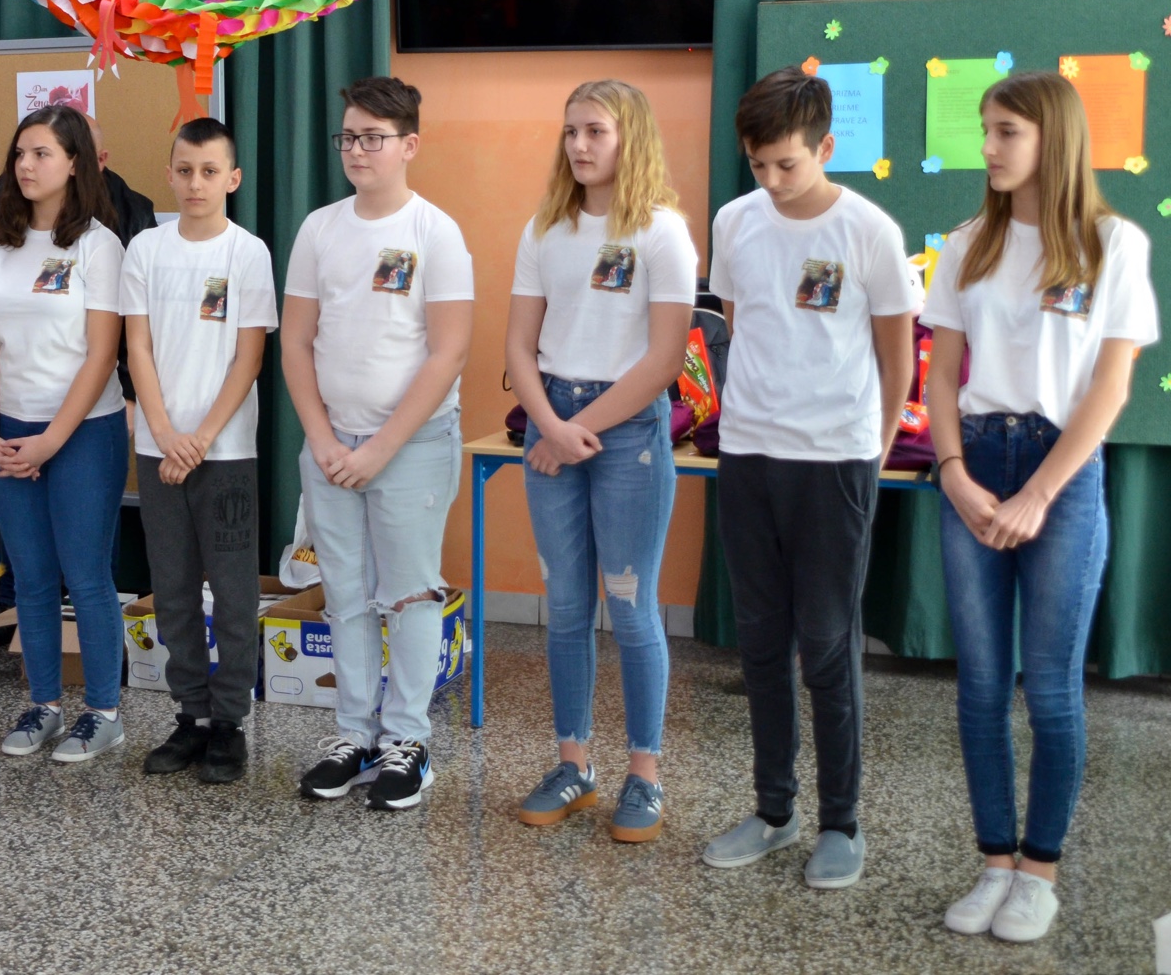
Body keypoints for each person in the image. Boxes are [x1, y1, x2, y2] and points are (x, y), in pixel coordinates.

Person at [924, 71, 1158, 942]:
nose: (987, 147)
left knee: (1052, 688)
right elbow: (941, 375)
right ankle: (994, 862)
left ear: (1053, 139)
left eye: (1006, 131)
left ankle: (1039, 874)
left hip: (1061, 469)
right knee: (981, 685)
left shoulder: (1112, 243)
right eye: (985, 129)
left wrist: (1039, 492)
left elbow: (1111, 387)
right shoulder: (967, 243)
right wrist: (953, 471)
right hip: (976, 463)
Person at [699, 67, 919, 887]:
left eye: (786, 164)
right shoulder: (735, 221)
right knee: (761, 642)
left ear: (825, 147)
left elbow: (897, 357)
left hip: (835, 461)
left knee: (826, 645)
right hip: (750, 455)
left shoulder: (870, 231)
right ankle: (774, 811)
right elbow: (740, 328)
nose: (771, 180)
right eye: (758, 164)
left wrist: (873, 445)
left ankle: (841, 823)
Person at [505, 81, 696, 841]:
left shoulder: (662, 232)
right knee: (565, 607)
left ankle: (643, 774)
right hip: (552, 421)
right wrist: (550, 426)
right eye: (571, 131)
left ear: (630, 139)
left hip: (626, 435)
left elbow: (665, 359)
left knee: (631, 605)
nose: (579, 146)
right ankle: (573, 765)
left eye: (596, 132)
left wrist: (573, 430)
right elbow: (518, 345)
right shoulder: (545, 228)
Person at [284, 76, 473, 811]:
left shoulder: (436, 233)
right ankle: (354, 736)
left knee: (410, 594)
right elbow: (296, 342)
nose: (357, 150)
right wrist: (323, 438)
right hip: (331, 444)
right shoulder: (319, 229)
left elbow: (448, 353)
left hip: (413, 445)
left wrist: (379, 449)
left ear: (409, 145)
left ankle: (407, 744)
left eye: (373, 138)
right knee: (346, 596)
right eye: (349, 136)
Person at [0, 105, 130, 762]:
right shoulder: (0, 243)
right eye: (20, 153)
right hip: (11, 431)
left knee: (86, 576)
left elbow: (102, 355)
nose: (26, 165)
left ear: (73, 163)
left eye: (41, 153)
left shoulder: (99, 244)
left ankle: (103, 711)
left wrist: (51, 440)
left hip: (84, 432)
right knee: (33, 578)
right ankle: (42, 704)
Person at [122, 117, 275, 784]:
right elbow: (137, 347)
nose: (195, 183)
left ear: (231, 179)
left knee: (234, 592)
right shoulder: (145, 250)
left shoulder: (248, 253)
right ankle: (190, 714)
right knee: (173, 588)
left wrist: (203, 437)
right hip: (160, 449)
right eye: (184, 170)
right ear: (169, 174)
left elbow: (249, 358)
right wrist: (164, 433)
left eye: (210, 171)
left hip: (227, 450)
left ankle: (230, 722)